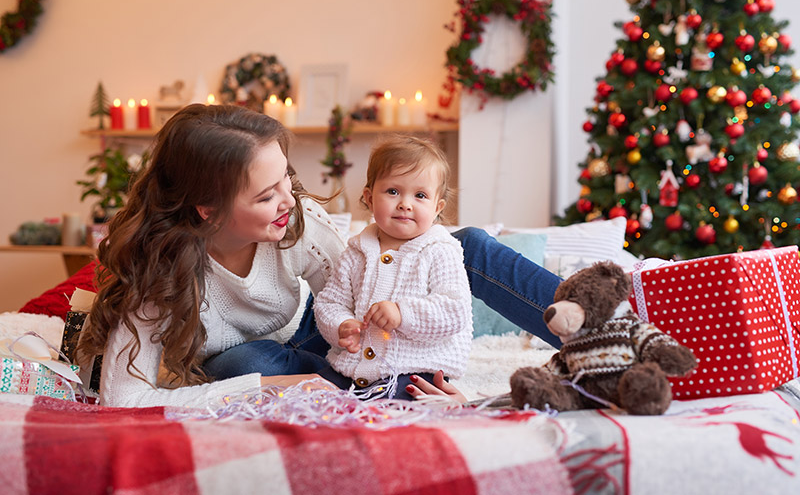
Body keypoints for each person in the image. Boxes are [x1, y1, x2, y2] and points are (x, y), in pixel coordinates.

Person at [77, 103, 562, 408]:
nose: (289, 198)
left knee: (469, 245)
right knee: (239, 364)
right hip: (270, 365)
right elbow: (123, 397)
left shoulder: (300, 223)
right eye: (266, 195)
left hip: (328, 332)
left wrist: (430, 375)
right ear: (208, 210)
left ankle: (600, 334)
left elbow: (369, 287)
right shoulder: (159, 275)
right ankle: (365, 395)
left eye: (285, 177)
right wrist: (276, 388)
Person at [313, 136, 473, 400]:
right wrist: (342, 325)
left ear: (437, 207)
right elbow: (329, 302)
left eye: (420, 195)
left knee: (399, 407)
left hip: (414, 371)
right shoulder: (356, 251)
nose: (405, 204)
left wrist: (403, 313)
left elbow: (454, 310)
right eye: (393, 191)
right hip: (352, 370)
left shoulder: (440, 250)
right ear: (369, 197)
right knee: (315, 396)